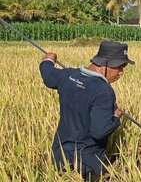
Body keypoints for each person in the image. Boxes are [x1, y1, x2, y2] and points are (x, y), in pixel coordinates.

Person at [39, 40, 135, 181]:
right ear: (104, 65)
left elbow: (49, 76)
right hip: (87, 166)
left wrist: (47, 61)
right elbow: (99, 131)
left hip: (60, 157)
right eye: (120, 67)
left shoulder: (68, 75)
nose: (121, 72)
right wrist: (115, 117)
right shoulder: (103, 91)